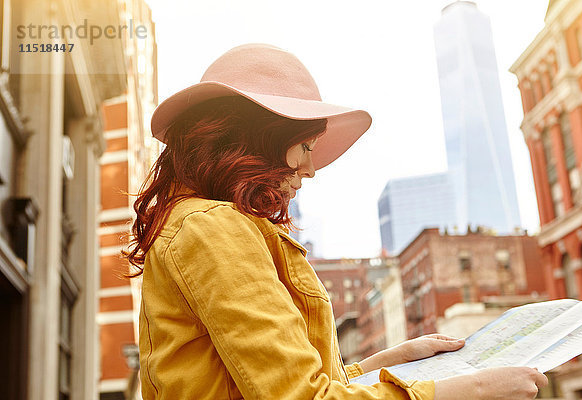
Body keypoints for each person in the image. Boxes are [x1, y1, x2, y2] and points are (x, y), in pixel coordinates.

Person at [124, 43, 548, 399]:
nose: (311, 168)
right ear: (255, 139)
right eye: (305, 146)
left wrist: (388, 361)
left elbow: (276, 382)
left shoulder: (209, 225)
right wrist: (468, 391)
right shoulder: (213, 228)